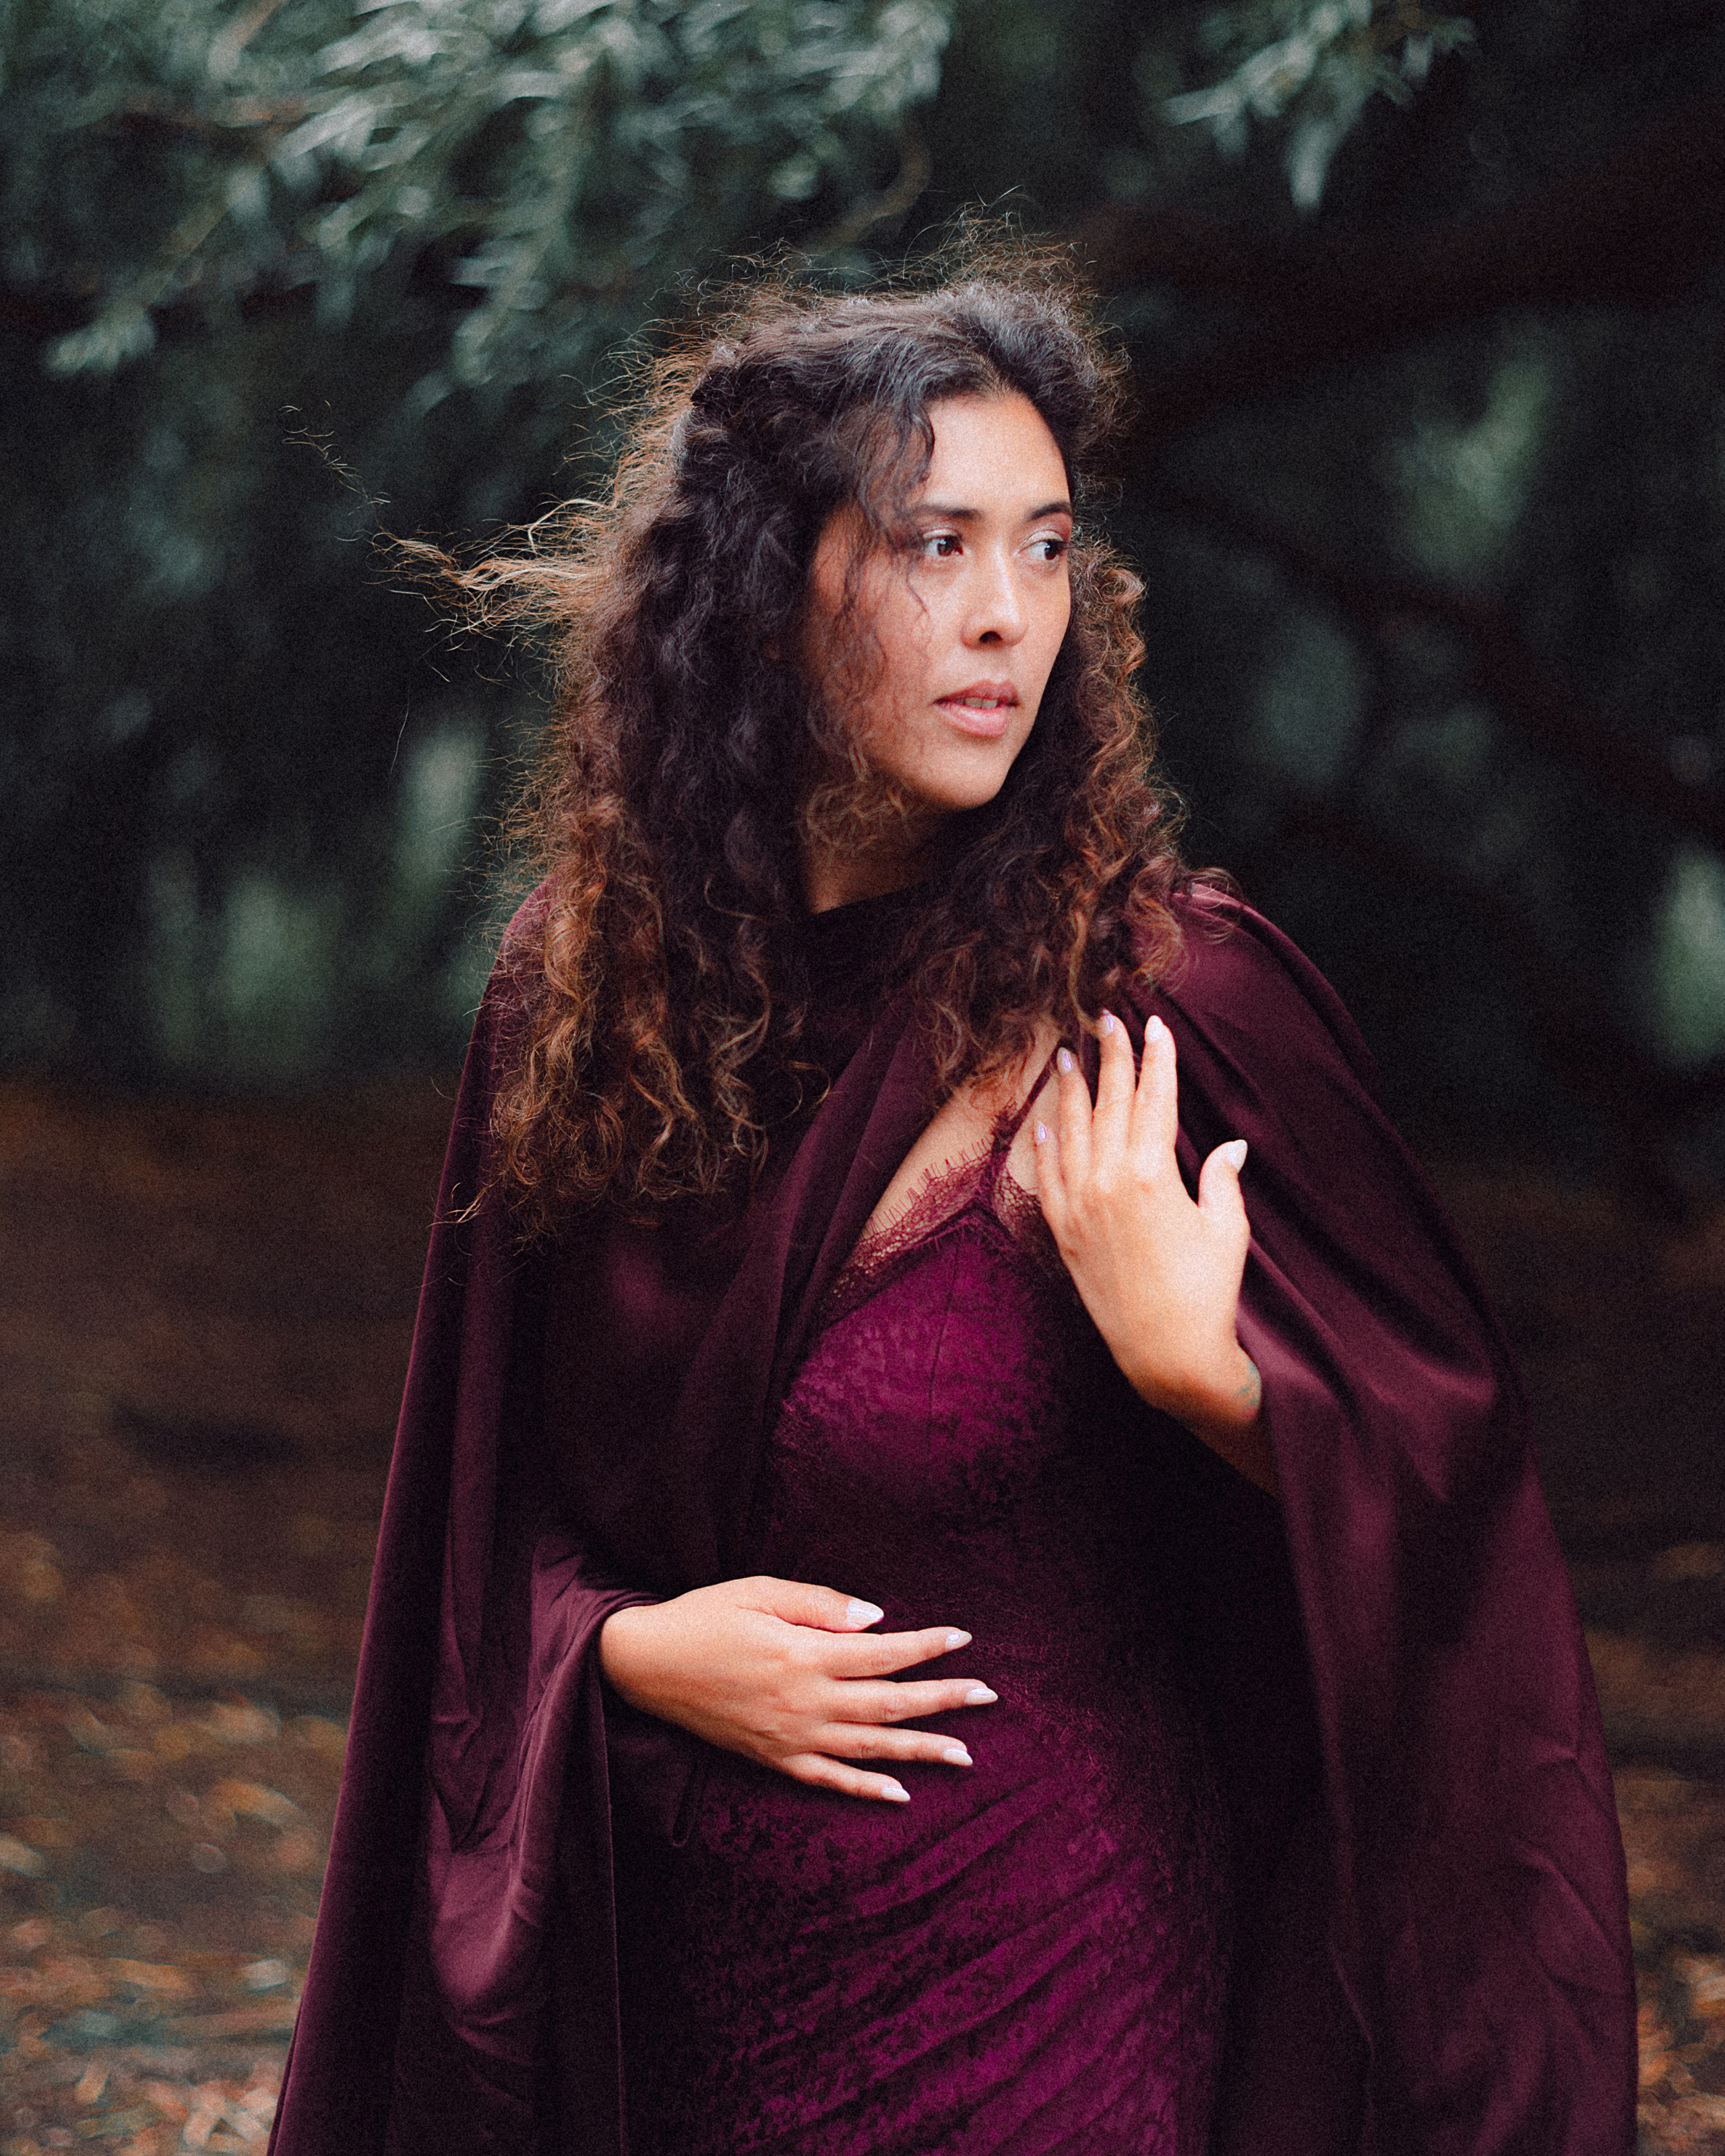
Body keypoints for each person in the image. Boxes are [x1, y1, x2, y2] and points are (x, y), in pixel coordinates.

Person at [268, 243, 1637, 2156]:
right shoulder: (580, 992)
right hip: (686, 2006)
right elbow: (473, 1525)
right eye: (936, 548)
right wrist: (635, 1653)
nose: (1009, 618)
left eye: (1052, 550)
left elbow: (1459, 1525)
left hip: (1057, 1980)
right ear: (765, 595)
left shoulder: (1165, 1000)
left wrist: (1211, 1382)